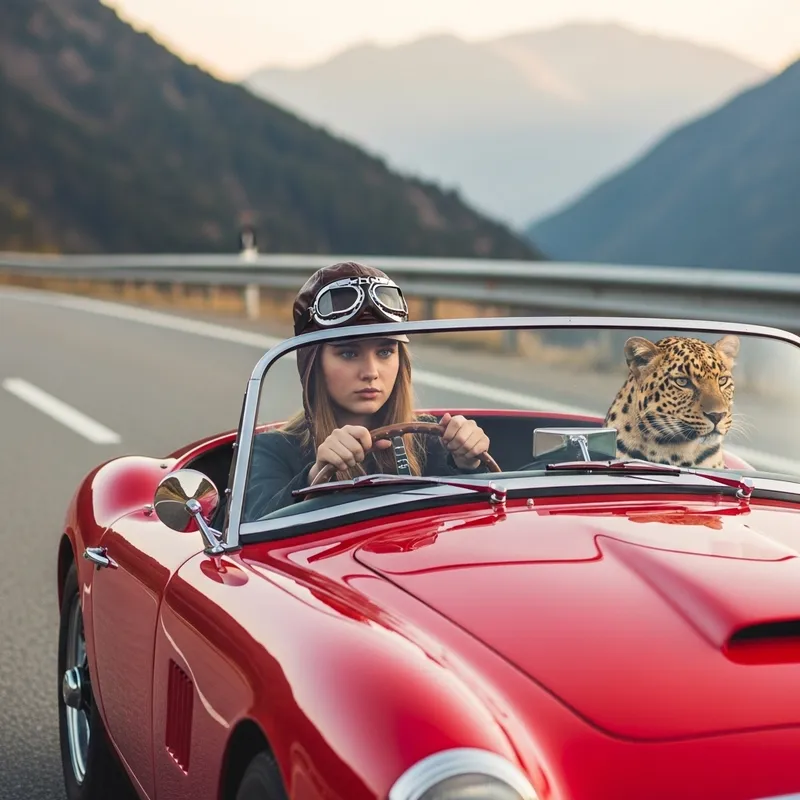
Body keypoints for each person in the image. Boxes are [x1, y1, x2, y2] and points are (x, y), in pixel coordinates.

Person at [244, 261, 491, 520]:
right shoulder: (272, 449)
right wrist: (314, 475)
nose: (371, 371)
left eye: (385, 351)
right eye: (349, 353)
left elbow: (468, 530)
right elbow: (253, 529)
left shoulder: (431, 439)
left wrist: (467, 464)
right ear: (313, 364)